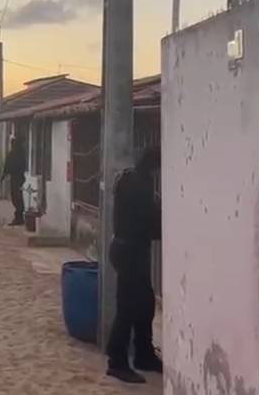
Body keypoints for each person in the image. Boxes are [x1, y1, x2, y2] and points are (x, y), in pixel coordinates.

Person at [106, 147, 162, 384]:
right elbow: (149, 222)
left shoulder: (131, 177)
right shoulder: (140, 186)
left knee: (145, 302)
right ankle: (117, 361)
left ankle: (144, 354)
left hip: (127, 249)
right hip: (131, 250)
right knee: (128, 307)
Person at [1, 137, 26, 226]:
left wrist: (3, 175)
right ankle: (19, 217)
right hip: (18, 178)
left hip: (17, 178)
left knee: (16, 198)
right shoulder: (19, 154)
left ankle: (19, 217)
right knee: (16, 197)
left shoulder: (15, 154)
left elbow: (7, 166)